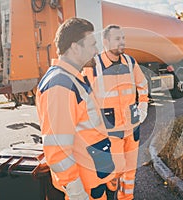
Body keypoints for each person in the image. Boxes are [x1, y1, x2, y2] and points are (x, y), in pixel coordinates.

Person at [36, 17, 116, 200]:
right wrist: (77, 193)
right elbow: (57, 151)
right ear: (75, 47)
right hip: (85, 190)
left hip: (95, 181)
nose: (97, 51)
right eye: (92, 45)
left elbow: (88, 133)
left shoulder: (72, 79)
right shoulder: (60, 86)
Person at [84, 24, 149, 200]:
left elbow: (142, 85)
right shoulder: (94, 65)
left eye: (123, 38)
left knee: (129, 172)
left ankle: (126, 198)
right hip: (109, 131)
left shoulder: (130, 62)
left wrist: (142, 107)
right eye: (117, 39)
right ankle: (111, 192)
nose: (122, 42)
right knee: (113, 172)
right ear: (105, 42)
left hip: (132, 129)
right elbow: (84, 97)